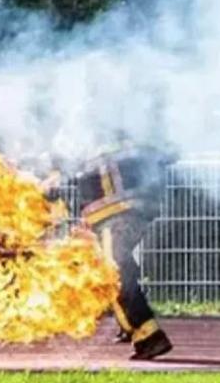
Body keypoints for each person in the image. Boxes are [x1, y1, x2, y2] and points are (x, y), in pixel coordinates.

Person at [74, 141, 176, 360]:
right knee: (115, 268)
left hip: (117, 216)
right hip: (116, 216)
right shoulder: (125, 139)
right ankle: (128, 324)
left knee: (114, 270)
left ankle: (148, 337)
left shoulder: (105, 140)